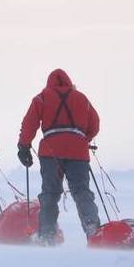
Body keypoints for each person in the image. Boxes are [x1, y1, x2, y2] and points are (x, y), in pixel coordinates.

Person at [17, 68, 101, 245]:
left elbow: (29, 123)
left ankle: (47, 235)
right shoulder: (81, 98)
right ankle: (92, 227)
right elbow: (95, 123)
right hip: (78, 151)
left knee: (50, 193)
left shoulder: (42, 97)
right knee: (81, 191)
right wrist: (83, 139)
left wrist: (23, 146)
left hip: (51, 151)